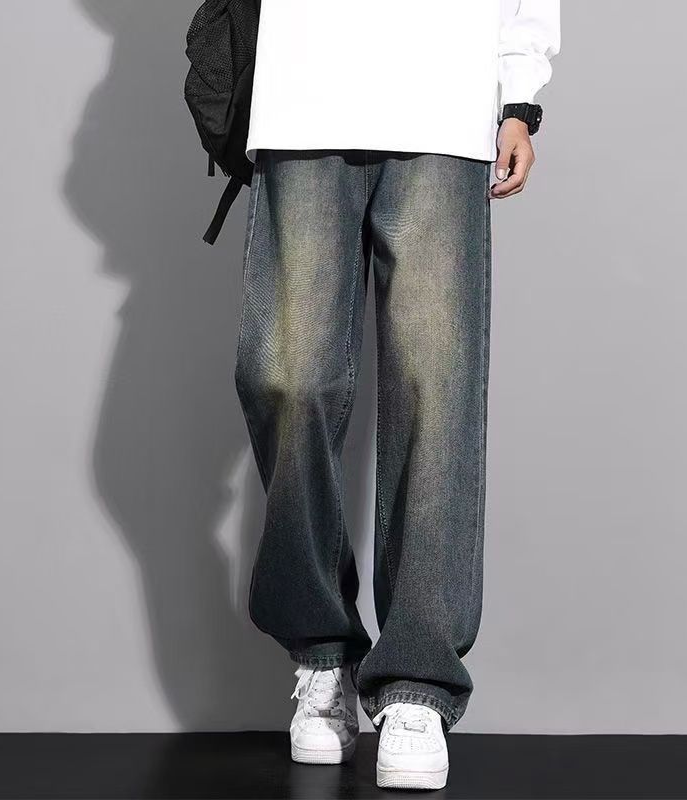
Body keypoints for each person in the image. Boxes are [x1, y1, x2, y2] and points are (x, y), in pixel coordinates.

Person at [234, 0, 561, 790]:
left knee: (434, 393)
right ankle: (321, 651)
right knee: (288, 378)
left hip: (443, 105)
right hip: (302, 96)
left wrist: (519, 95)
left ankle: (418, 682)